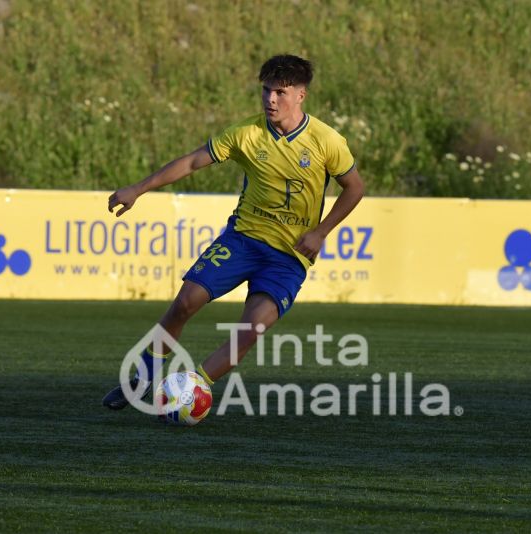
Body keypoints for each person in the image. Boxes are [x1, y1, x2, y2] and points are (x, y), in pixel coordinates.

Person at [102, 54, 365, 410]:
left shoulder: (327, 140)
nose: (271, 99)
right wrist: (138, 188)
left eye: (280, 92)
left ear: (301, 95)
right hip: (242, 240)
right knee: (185, 302)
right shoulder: (246, 133)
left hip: (288, 258)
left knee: (251, 329)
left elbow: (354, 188)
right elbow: (193, 161)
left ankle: (191, 390)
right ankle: (144, 377)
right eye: (266, 90)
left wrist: (321, 232)